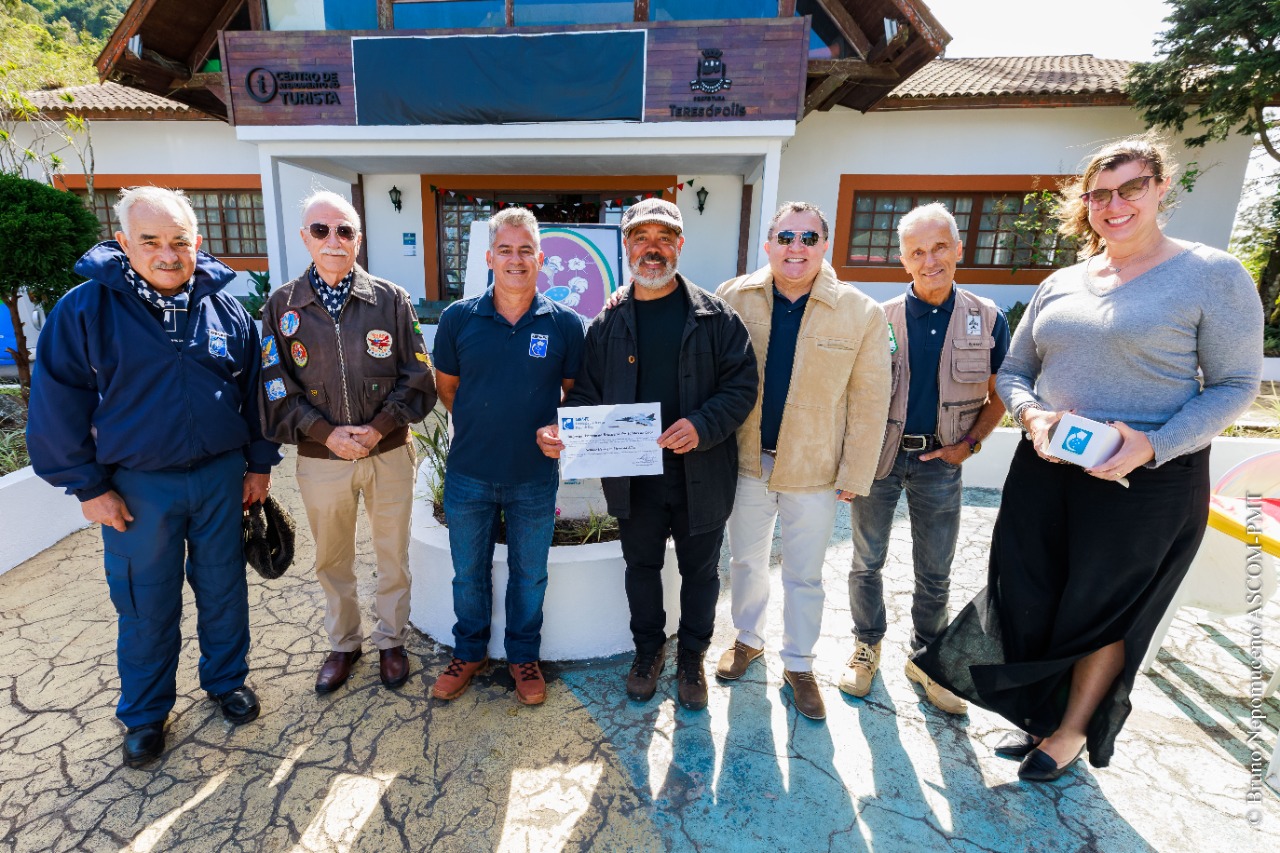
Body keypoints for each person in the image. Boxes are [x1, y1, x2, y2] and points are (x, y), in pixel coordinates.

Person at [912, 135, 1263, 781]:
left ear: (1161, 189)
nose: (1115, 203)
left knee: (1102, 609)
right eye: (1100, 193)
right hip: (1047, 471)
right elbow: (1015, 369)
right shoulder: (1060, 281)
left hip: (1145, 481)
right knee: (1033, 592)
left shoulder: (1211, 274)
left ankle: (1070, 731)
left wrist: (1152, 444)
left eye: (1131, 187)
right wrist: (1031, 414)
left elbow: (1237, 383)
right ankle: (1044, 714)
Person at [27, 186, 280, 768]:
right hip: (137, 487)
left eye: (179, 241)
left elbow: (255, 394)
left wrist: (260, 465)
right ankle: (144, 713)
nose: (168, 254)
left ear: (197, 244)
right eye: (151, 241)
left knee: (224, 589)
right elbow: (56, 403)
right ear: (123, 243)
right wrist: (88, 487)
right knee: (145, 603)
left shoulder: (226, 309)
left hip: (220, 477)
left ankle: (225, 681)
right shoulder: (84, 310)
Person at [537, 198, 757, 711]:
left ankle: (692, 657)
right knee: (641, 566)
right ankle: (648, 652)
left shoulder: (716, 317)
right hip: (634, 477)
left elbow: (741, 386)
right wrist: (567, 427)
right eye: (640, 237)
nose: (651, 248)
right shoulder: (607, 323)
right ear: (626, 247)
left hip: (702, 471)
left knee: (701, 572)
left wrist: (702, 425)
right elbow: (588, 394)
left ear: (679, 245)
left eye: (663, 237)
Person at [713, 202, 891, 721]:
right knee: (745, 562)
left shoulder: (861, 312)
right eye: (786, 237)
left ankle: (799, 662)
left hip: (814, 470)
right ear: (768, 244)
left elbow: (870, 399)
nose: (797, 247)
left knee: (804, 575)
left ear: (824, 246)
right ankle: (748, 639)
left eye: (808, 238)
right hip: (747, 462)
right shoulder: (733, 297)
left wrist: (856, 473)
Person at [260, 191, 435, 695]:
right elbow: (275, 383)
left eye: (344, 231)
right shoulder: (282, 305)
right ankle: (343, 642)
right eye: (321, 230)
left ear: (358, 238)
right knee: (332, 556)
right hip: (322, 459)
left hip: (388, 452)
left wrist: (380, 427)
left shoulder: (391, 299)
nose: (333, 241)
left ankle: (391, 639)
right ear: (304, 238)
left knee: (392, 554)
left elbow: (417, 373)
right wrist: (325, 433)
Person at [839, 203, 1009, 717]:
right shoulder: (879, 318)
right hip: (881, 461)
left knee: (935, 569)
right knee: (866, 561)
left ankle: (926, 657)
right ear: (903, 259)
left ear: (958, 249)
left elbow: (1002, 393)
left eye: (939, 247)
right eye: (917, 251)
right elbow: (853, 395)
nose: (929, 259)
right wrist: (850, 464)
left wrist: (968, 445)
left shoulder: (988, 318)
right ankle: (867, 645)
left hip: (942, 463)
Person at [429, 207, 586, 706]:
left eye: (525, 250)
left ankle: (523, 655)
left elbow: (572, 392)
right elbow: (448, 389)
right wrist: (485, 424)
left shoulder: (565, 324)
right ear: (489, 256)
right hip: (469, 474)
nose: (515, 259)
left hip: (534, 476)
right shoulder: (458, 319)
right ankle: (468, 651)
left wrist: (557, 426)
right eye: (505, 249)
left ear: (540, 259)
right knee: (467, 572)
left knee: (530, 573)